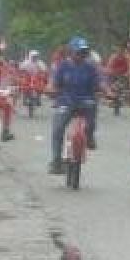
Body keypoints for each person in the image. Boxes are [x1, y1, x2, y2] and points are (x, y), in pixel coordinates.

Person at [47, 37, 101, 174]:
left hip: (85, 102)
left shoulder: (90, 68)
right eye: (78, 52)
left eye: (84, 52)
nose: (81, 55)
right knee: (58, 128)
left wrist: (108, 92)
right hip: (65, 102)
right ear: (71, 52)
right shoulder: (62, 66)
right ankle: (56, 161)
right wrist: (50, 90)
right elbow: (53, 84)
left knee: (92, 112)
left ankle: (89, 136)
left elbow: (99, 85)